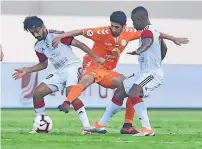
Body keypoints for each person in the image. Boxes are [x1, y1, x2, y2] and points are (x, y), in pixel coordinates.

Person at [52, 11, 189, 134]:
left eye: (117, 27)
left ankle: (126, 125)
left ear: (124, 26)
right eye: (112, 25)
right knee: (86, 80)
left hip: (107, 71)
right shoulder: (100, 32)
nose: (113, 29)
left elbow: (154, 34)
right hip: (93, 65)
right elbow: (79, 31)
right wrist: (60, 36)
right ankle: (67, 102)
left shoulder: (130, 32)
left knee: (127, 87)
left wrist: (173, 38)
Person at [12, 16, 104, 134]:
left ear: (43, 27)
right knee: (37, 93)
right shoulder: (38, 46)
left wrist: (95, 57)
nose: (35, 35)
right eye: (32, 33)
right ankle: (41, 122)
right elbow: (43, 64)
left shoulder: (58, 36)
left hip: (73, 67)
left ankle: (86, 127)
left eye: (36, 31)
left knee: (71, 94)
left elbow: (79, 44)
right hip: (59, 71)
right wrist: (27, 70)